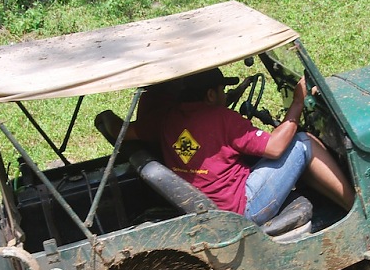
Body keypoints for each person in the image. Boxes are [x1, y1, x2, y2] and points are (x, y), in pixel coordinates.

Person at [134, 68, 354, 225]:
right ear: (211, 95)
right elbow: (276, 147)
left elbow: (128, 131)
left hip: (207, 207)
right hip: (240, 210)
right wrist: (297, 102)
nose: (224, 96)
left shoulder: (168, 119)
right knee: (303, 141)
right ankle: (356, 211)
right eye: (221, 91)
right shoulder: (223, 119)